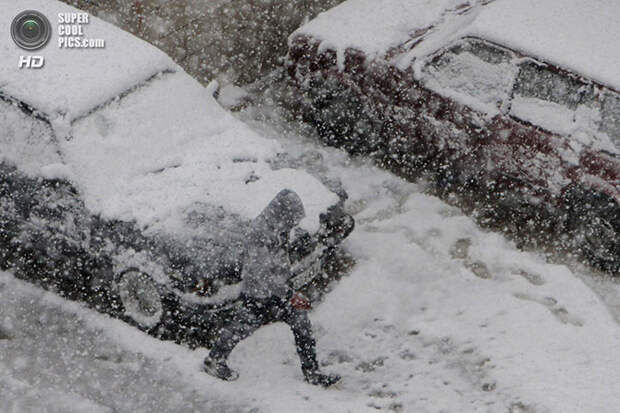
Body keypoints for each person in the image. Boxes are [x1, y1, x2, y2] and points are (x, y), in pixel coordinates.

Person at [203, 189, 340, 387]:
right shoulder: (259, 234)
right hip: (259, 294)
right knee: (241, 327)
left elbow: (277, 262)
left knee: (301, 324)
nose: (294, 224)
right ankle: (214, 360)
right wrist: (290, 294)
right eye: (293, 218)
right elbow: (262, 274)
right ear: (283, 213)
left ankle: (312, 371)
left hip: (278, 291)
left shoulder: (279, 227)